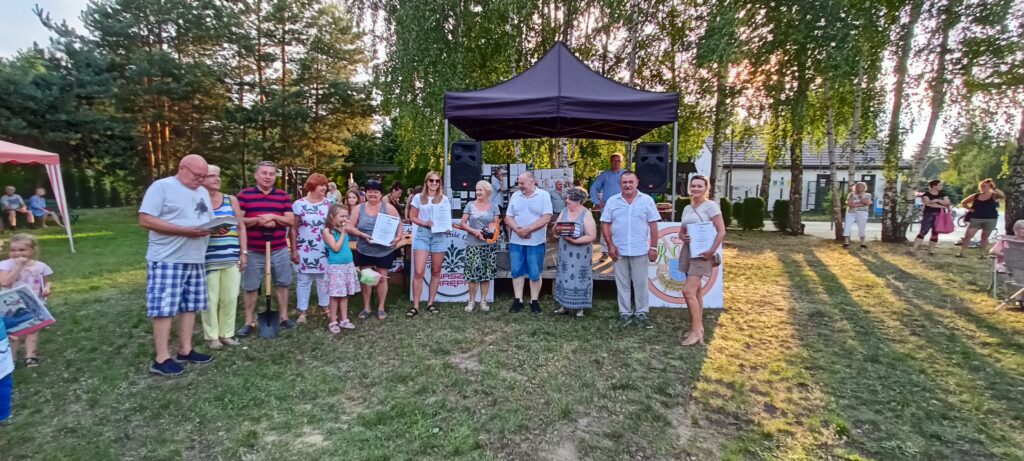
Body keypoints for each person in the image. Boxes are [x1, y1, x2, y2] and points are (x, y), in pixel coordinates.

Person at [138, 154, 216, 376]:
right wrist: (185, 231)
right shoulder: (162, 187)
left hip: (195, 257)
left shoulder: (202, 192)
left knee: (190, 306)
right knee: (164, 308)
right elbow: (145, 219)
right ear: (182, 168)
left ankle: (185, 349)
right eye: (197, 175)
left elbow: (206, 219)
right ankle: (161, 358)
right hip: (168, 258)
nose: (200, 180)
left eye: (204, 176)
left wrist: (215, 227)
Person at [236, 161, 297, 336]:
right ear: (256, 175)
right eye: (264, 173)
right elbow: (238, 221)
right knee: (251, 286)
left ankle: (284, 317)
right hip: (253, 250)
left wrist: (273, 217)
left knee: (283, 283)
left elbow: (290, 220)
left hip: (278, 248)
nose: (268, 177)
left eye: (271, 174)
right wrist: (258, 220)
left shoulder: (282, 196)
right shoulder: (244, 195)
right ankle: (249, 321)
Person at [601, 171, 660, 329]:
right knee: (622, 284)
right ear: (620, 184)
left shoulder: (646, 200)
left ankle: (642, 313)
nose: (627, 185)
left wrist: (653, 247)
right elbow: (605, 224)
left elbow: (653, 225)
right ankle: (624, 313)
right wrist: (610, 245)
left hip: (640, 250)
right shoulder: (612, 201)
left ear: (637, 182)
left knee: (641, 284)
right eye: (624, 182)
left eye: (630, 182)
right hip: (618, 251)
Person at [675, 175, 726, 345]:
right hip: (688, 251)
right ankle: (699, 328)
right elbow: (682, 231)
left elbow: (721, 231)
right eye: (693, 186)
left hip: (703, 254)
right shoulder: (687, 208)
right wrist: (683, 237)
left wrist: (711, 251)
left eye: (699, 186)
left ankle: (696, 331)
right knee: (696, 292)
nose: (696, 189)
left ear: (706, 188)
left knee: (688, 291)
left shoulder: (711, 206)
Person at [201, 165, 246, 350]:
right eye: (212, 176)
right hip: (208, 257)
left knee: (230, 297)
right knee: (210, 299)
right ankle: (212, 336)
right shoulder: (198, 200)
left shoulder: (230, 199)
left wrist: (244, 252)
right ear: (202, 179)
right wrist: (211, 229)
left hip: (231, 255)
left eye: (218, 175)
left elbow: (241, 226)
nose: (217, 179)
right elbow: (193, 226)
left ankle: (226, 333)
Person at [347, 179, 402, 321]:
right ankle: (367, 308)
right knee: (367, 279)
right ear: (365, 193)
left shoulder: (388, 208)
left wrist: (398, 237)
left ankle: (381, 308)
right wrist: (362, 235)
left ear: (381, 194)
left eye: (376, 192)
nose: (372, 194)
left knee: (382, 278)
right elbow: (350, 227)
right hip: (365, 249)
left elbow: (399, 223)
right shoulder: (358, 208)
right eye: (370, 191)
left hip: (384, 250)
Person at [0, 234, 53, 366]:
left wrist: (47, 289)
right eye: (13, 250)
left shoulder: (40, 266)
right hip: (12, 304)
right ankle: (12, 357)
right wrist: (18, 267)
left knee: (33, 329)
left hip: (33, 302)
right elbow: (5, 282)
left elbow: (46, 281)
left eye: (22, 250)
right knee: (14, 330)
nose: (17, 253)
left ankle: (31, 356)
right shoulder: (5, 265)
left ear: (32, 250)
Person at [505, 172, 553, 314]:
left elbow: (546, 217)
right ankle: (518, 300)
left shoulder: (544, 195)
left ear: (532, 182)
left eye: (522, 183)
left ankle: (534, 301)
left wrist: (528, 229)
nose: (519, 186)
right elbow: (508, 217)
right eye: (518, 183)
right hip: (516, 241)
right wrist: (518, 230)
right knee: (516, 270)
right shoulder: (515, 196)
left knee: (535, 272)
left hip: (536, 241)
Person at [408, 171, 450, 317]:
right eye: (431, 180)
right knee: (419, 271)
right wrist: (424, 222)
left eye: (437, 181)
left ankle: (431, 303)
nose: (434, 183)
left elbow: (446, 218)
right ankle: (415, 305)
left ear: (440, 183)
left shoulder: (444, 199)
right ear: (426, 182)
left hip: (439, 235)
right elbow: (412, 216)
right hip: (423, 234)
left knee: (436, 270)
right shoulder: (418, 198)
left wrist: (446, 227)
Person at [291, 173, 332, 323]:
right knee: (303, 280)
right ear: (312, 186)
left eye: (325, 185)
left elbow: (333, 226)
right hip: (304, 248)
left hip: (324, 248)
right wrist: (294, 250)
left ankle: (325, 308)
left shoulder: (329, 204)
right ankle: (302, 312)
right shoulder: (298, 204)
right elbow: (293, 229)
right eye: (321, 185)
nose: (324, 188)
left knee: (323, 279)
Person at [553, 188, 597, 318]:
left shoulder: (586, 214)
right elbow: (556, 228)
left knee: (579, 277)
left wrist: (575, 240)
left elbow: (591, 235)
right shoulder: (564, 211)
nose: (566, 201)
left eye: (569, 199)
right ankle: (564, 306)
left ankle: (579, 309)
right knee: (564, 275)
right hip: (565, 250)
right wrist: (557, 230)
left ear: (578, 201)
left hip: (581, 252)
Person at [457, 180, 500, 313]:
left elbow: (495, 226)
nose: (478, 192)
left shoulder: (494, 207)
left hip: (488, 246)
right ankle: (471, 301)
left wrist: (488, 236)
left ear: (488, 191)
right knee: (473, 274)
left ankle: (483, 301)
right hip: (473, 244)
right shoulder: (470, 205)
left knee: (486, 274)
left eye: (480, 190)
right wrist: (474, 232)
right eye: (476, 190)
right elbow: (462, 223)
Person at [322, 203, 360, 333]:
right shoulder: (327, 231)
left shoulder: (343, 229)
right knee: (335, 295)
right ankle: (333, 321)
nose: (345, 219)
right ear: (332, 216)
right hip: (336, 267)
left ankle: (344, 320)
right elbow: (336, 248)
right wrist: (344, 233)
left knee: (344, 294)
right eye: (342, 216)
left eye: (346, 216)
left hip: (347, 265)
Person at [957, 178, 1005, 258]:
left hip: (990, 219)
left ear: (990, 187)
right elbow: (963, 202)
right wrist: (970, 209)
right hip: (976, 218)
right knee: (968, 236)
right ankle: (962, 253)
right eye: (981, 186)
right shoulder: (976, 196)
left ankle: (982, 254)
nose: (983, 187)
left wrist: (994, 188)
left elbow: (1002, 195)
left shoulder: (994, 195)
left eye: (985, 186)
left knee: (985, 237)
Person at [590, 154, 625, 261]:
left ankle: (621, 251)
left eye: (618, 161)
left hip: (623, 206)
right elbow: (594, 188)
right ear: (610, 162)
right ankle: (605, 252)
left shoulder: (625, 174)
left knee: (622, 228)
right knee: (605, 228)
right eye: (614, 160)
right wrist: (597, 201)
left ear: (621, 162)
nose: (616, 162)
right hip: (607, 207)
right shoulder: (604, 175)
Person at [908, 179, 951, 256]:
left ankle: (931, 250)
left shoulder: (943, 194)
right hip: (928, 215)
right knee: (923, 231)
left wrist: (937, 200)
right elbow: (928, 204)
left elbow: (947, 203)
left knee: (935, 232)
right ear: (934, 186)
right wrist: (942, 205)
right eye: (940, 185)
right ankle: (913, 249)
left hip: (940, 216)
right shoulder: (926, 195)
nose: (942, 186)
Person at [843, 182, 871, 249]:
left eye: (861, 186)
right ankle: (846, 242)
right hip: (851, 212)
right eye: (858, 186)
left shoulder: (867, 195)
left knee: (862, 227)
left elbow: (867, 203)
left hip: (862, 212)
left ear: (864, 187)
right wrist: (860, 204)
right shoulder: (851, 194)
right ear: (855, 187)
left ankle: (862, 243)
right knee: (847, 226)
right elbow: (849, 203)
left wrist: (861, 199)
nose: (859, 188)